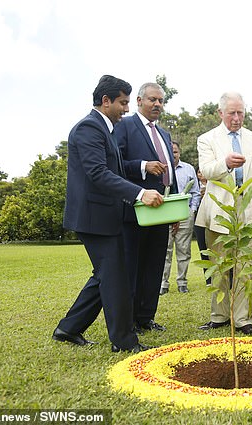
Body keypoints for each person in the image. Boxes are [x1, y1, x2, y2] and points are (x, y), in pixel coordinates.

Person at [53, 75, 164, 353]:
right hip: (94, 218)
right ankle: (125, 341)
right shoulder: (88, 128)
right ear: (106, 101)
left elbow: (116, 170)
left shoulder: (107, 130)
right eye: (123, 103)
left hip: (105, 217)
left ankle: (68, 328)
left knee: (105, 274)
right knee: (115, 276)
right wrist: (140, 194)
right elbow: (98, 173)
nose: (126, 109)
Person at [195, 92, 252, 336]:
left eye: (241, 113)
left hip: (250, 211)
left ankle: (242, 319)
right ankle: (219, 316)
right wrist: (225, 163)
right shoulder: (207, 139)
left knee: (245, 267)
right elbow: (206, 170)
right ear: (220, 113)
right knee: (217, 266)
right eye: (232, 114)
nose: (237, 118)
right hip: (218, 212)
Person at [115, 82, 178, 334]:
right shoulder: (125, 126)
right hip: (136, 208)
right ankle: (129, 319)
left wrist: (175, 208)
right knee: (134, 265)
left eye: (161, 101)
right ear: (139, 101)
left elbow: (170, 173)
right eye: (152, 100)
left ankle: (145, 317)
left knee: (155, 265)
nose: (157, 105)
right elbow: (117, 163)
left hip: (163, 208)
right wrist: (143, 166)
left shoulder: (164, 134)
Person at [160, 141, 201, 294]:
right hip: (165, 216)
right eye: (170, 152)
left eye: (175, 152)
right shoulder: (161, 169)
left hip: (185, 215)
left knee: (184, 250)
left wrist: (192, 210)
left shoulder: (189, 169)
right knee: (165, 250)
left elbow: (196, 192)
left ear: (179, 153)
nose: (173, 155)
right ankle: (163, 283)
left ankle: (182, 282)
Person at [193, 168, 211, 287]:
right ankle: (208, 278)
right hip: (199, 218)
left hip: (213, 217)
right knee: (203, 247)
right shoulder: (195, 187)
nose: (201, 173)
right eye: (199, 172)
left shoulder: (215, 184)